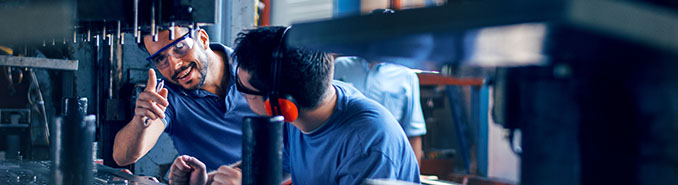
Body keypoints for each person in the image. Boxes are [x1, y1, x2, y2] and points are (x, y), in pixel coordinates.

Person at [168, 26, 421, 185]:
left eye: (243, 88)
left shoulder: (367, 145)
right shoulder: (307, 112)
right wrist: (207, 180)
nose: (239, 94)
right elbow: (277, 166)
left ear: (280, 106)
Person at [112, 27, 255, 172]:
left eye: (179, 47)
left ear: (203, 39)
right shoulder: (168, 96)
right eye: (160, 58)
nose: (175, 65)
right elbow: (123, 156)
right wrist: (140, 121)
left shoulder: (254, 67)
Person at [334, 56, 427, 163]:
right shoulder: (340, 66)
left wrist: (413, 178)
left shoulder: (406, 75)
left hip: (387, 160)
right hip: (343, 157)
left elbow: (413, 132)